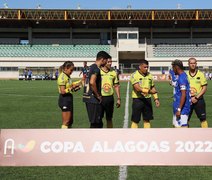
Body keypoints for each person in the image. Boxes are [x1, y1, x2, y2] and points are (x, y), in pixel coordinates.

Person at [83, 51, 110, 128]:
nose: (106, 62)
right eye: (106, 60)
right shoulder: (96, 68)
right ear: (102, 59)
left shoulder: (90, 67)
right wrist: (98, 95)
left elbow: (85, 80)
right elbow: (92, 82)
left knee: (94, 122)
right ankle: (95, 139)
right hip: (93, 99)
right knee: (96, 123)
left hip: (87, 97)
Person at [130, 59, 160, 128]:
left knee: (147, 119)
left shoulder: (150, 75)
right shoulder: (134, 75)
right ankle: (133, 136)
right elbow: (137, 88)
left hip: (147, 99)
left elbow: (153, 87)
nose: (146, 69)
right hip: (137, 100)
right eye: (145, 67)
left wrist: (156, 99)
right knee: (135, 120)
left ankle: (147, 136)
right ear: (140, 67)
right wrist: (149, 91)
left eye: (147, 67)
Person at [57, 61, 81, 129]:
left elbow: (70, 86)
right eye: (71, 70)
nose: (72, 71)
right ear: (65, 68)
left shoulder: (67, 76)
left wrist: (79, 83)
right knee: (66, 121)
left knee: (70, 121)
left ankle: (69, 135)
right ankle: (63, 136)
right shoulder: (62, 77)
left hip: (69, 98)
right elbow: (63, 91)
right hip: (64, 99)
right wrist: (72, 87)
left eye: (73, 70)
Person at [187, 57, 208, 128]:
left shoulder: (201, 74)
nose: (192, 65)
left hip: (199, 100)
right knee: (185, 119)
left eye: (194, 63)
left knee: (203, 119)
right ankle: (184, 136)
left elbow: (204, 88)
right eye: (191, 63)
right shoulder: (185, 75)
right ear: (188, 64)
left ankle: (205, 136)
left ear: (196, 64)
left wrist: (196, 97)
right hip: (188, 100)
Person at [100, 57, 121, 128]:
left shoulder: (113, 73)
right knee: (99, 118)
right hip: (99, 98)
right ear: (104, 62)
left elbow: (116, 86)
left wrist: (118, 98)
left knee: (109, 119)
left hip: (109, 98)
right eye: (108, 62)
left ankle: (109, 135)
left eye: (111, 62)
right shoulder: (98, 71)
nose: (110, 63)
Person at [172, 59, 190, 128]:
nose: (173, 70)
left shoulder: (181, 78)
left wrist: (179, 109)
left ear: (176, 67)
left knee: (182, 130)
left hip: (182, 110)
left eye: (173, 67)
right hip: (178, 107)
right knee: (176, 128)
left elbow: (183, 94)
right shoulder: (183, 75)